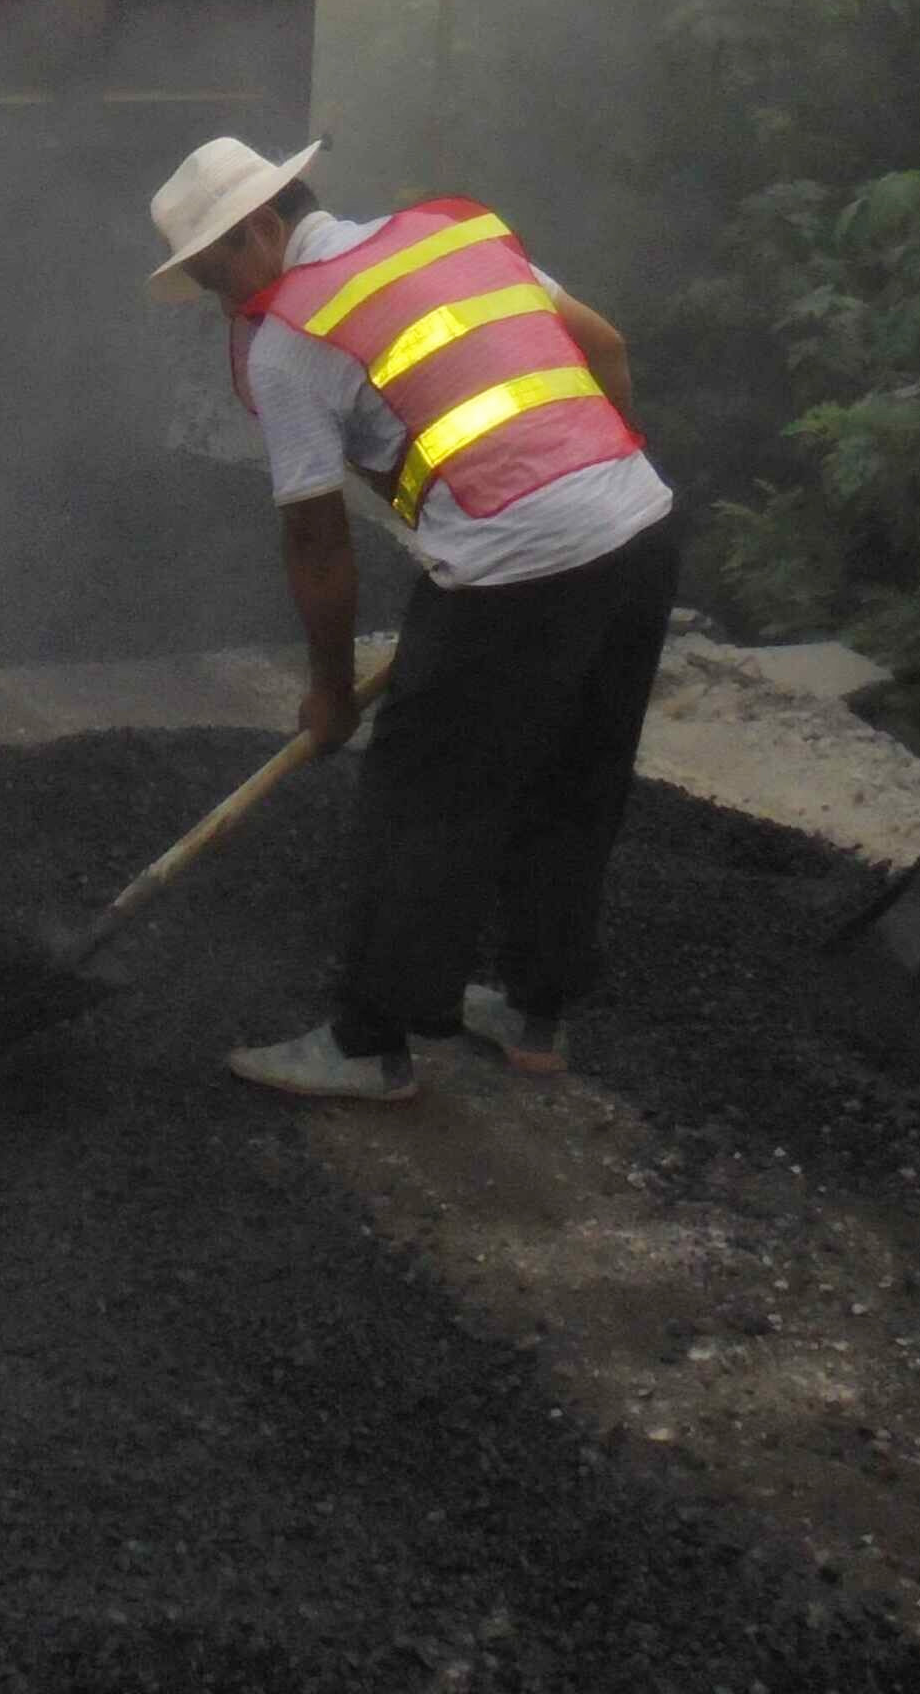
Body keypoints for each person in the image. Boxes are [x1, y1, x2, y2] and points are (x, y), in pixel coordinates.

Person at [147, 134, 682, 1105]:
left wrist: (330, 693)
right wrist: (592, 489)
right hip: (639, 529)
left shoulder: (291, 341)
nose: (222, 302)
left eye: (217, 274)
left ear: (260, 227)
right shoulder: (447, 234)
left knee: (419, 800)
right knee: (577, 779)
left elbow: (317, 541)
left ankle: (368, 1042)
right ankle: (534, 1013)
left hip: (512, 562)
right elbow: (603, 346)